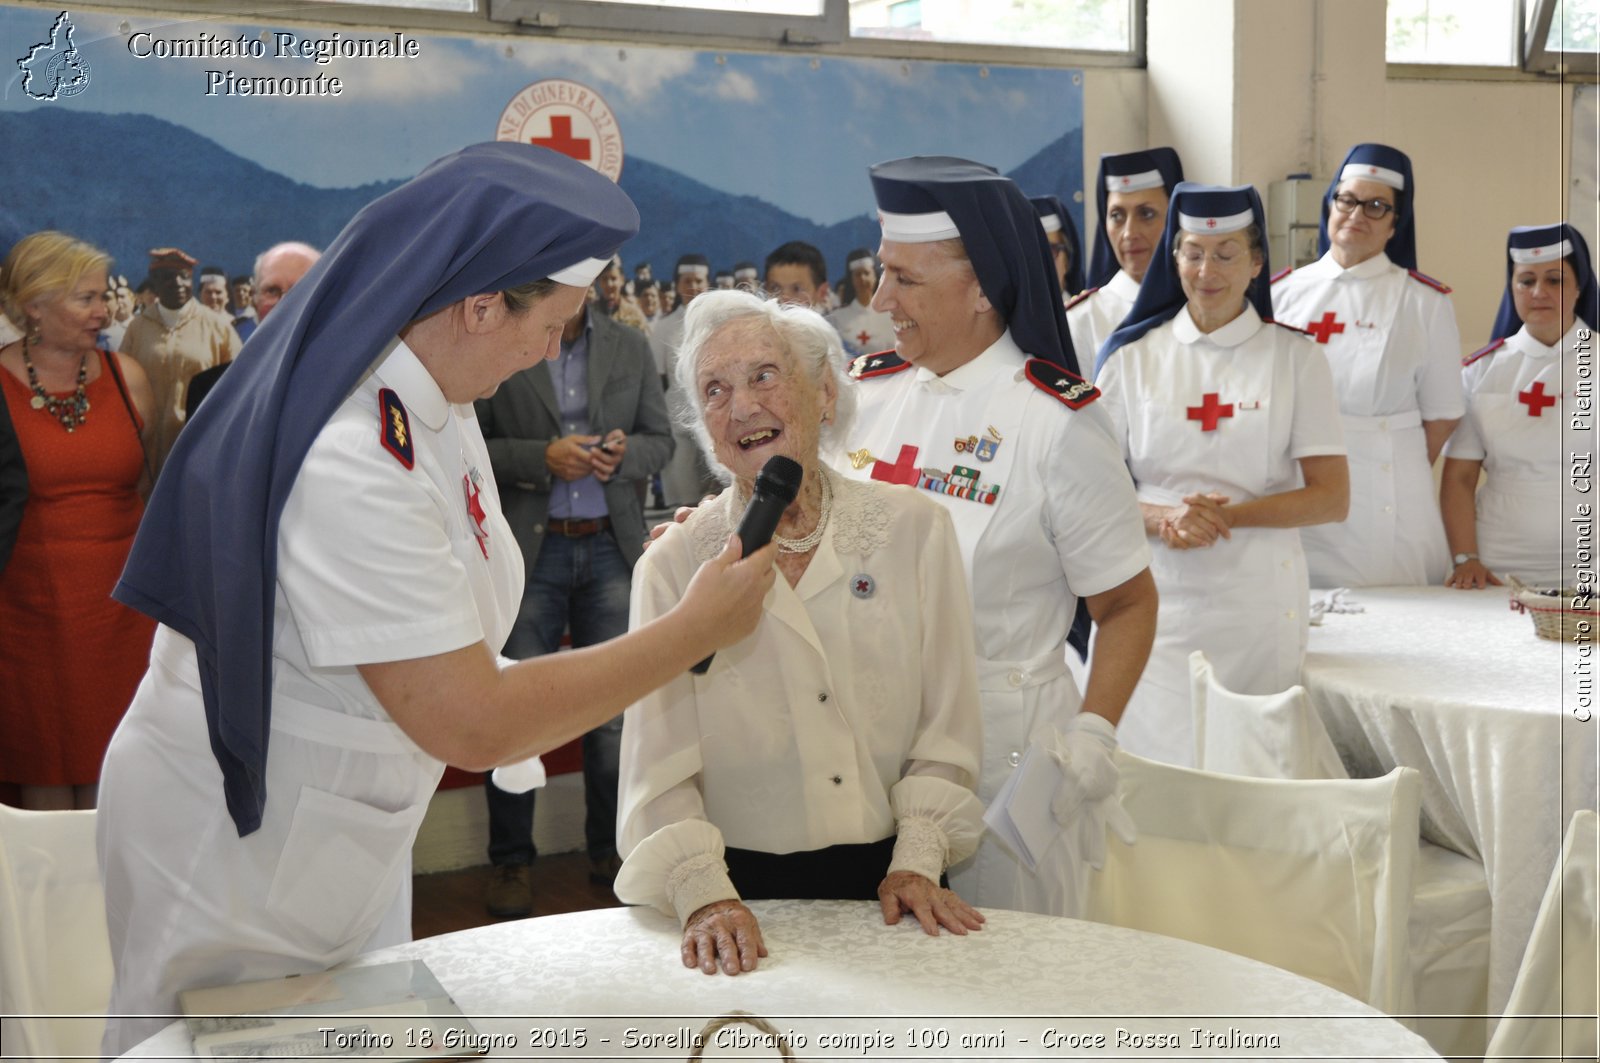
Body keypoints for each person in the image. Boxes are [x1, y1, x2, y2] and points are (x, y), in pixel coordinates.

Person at [95, 144, 776, 1055]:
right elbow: (473, 721)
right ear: (482, 302)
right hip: (242, 851)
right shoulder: (352, 452)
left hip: (336, 821)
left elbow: (456, 620)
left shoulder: (435, 403)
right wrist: (690, 629)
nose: (552, 349)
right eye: (553, 324)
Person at [617, 289, 986, 976]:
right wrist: (704, 896)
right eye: (715, 391)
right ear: (704, 426)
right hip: (739, 903)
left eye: (764, 375)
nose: (743, 406)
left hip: (896, 889)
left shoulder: (915, 530)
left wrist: (917, 861)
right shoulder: (673, 566)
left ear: (822, 392)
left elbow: (948, 725)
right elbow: (659, 769)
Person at [837, 156, 1157, 917]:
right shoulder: (862, 397)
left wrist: (1094, 733)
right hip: (866, 752)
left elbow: (1127, 602)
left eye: (905, 280)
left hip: (1000, 767)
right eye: (882, 273)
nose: (880, 300)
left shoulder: (1056, 421)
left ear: (982, 286)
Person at [1095, 184, 1348, 767]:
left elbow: (1331, 499)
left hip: (1256, 601)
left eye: (1227, 253)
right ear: (1174, 259)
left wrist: (1226, 517)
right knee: (1156, 769)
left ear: (1257, 263)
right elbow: (1090, 490)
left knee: (1250, 769)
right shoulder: (1131, 358)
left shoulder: (1295, 359)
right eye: (1192, 252)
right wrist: (1164, 518)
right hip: (1155, 599)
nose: (1207, 270)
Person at [475, 280, 674, 917]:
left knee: (615, 717)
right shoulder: (503, 341)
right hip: (531, 556)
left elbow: (660, 439)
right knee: (512, 715)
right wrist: (544, 456)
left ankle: (610, 854)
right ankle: (510, 864)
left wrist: (624, 455)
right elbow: (470, 447)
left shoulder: (631, 347)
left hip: (612, 548)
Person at [0, 232, 156, 810]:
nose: (102, 311)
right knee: (41, 772)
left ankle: (114, 904)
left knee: (116, 778)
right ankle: (49, 905)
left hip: (122, 615)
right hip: (26, 618)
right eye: (85, 299)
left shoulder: (130, 377)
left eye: (101, 297)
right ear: (34, 305)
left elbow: (148, 487)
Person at [1271, 143, 1463, 587]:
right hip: (1300, 485)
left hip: (1389, 496)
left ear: (1396, 223)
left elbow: (1444, 414)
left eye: (1377, 207)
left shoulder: (1425, 302)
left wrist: (1387, 455)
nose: (1357, 215)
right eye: (1348, 200)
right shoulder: (1281, 293)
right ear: (1330, 206)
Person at [1442, 222, 1598, 589]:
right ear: (1512, 288)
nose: (1539, 292)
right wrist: (1467, 558)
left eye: (1555, 280)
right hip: (1498, 560)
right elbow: (1459, 479)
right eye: (1526, 281)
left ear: (1580, 286)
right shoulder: (1481, 370)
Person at [117, 246, 241, 474]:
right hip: (149, 451)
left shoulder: (217, 327)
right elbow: (123, 386)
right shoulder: (139, 327)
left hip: (200, 447)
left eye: (183, 276)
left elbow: (240, 385)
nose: (177, 283)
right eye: (167, 277)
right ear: (154, 282)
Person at [1070, 147, 1184, 371]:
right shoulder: (1083, 320)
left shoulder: (1201, 306)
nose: (1129, 233)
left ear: (1174, 220)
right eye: (1117, 216)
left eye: (1146, 214)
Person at [184, 241, 322, 419]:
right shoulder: (209, 392)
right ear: (255, 300)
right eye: (272, 291)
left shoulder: (354, 388)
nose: (285, 302)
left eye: (301, 289)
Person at [827, 248, 895, 358]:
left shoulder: (893, 315)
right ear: (851, 279)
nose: (862, 278)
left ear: (875, 276)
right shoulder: (838, 318)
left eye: (866, 273)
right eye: (857, 274)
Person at [1031, 194, 1085, 300]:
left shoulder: (1090, 314)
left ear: (1067, 260)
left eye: (1051, 251)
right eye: (1031, 253)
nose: (1041, 263)